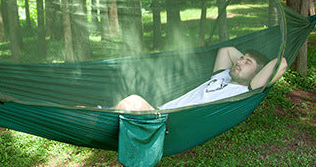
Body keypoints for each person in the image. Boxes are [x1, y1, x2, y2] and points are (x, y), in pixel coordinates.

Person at [112, 46, 287, 113]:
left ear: (257, 76)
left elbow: (282, 63)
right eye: (241, 58)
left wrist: (254, 76)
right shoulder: (222, 76)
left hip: (164, 120)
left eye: (247, 62)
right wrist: (244, 64)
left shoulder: (245, 90)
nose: (239, 61)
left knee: (131, 102)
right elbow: (226, 50)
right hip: (159, 110)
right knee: (120, 106)